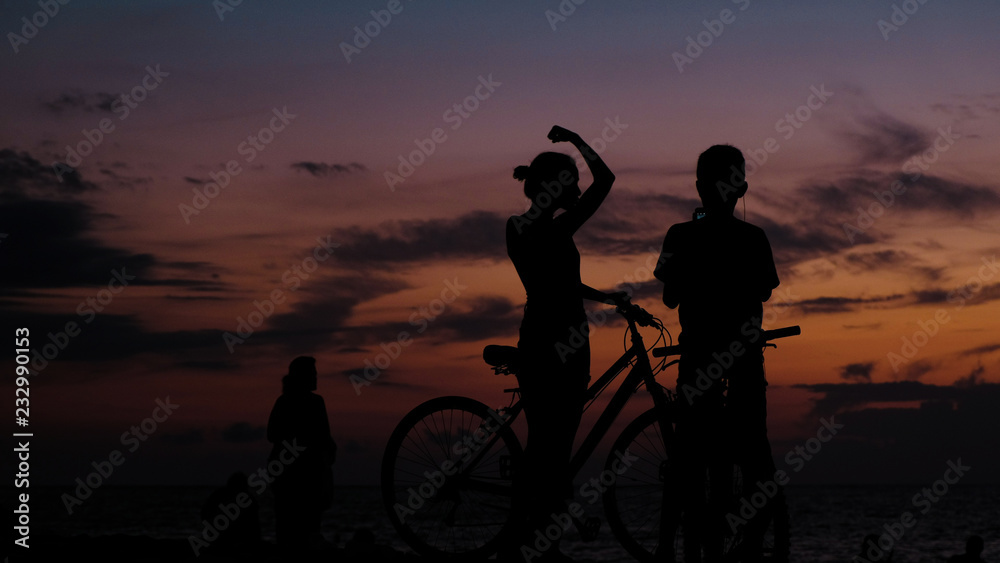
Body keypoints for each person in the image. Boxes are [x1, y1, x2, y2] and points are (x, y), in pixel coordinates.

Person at [653, 144, 780, 562]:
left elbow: (670, 299)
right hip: (744, 359)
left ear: (698, 187)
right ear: (741, 188)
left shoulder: (679, 235)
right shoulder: (754, 237)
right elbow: (763, 289)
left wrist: (700, 230)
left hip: (697, 361)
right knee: (757, 460)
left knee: (687, 458)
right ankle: (754, 546)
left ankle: (666, 546)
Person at [504, 125, 623, 562]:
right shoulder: (533, 228)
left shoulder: (542, 228)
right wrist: (574, 139)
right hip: (551, 342)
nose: (576, 190)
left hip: (562, 339)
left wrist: (607, 298)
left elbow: (562, 284)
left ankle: (542, 542)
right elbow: (606, 181)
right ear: (553, 186)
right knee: (548, 448)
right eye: (570, 182)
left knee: (555, 448)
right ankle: (527, 539)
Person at [266, 356, 337, 553]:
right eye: (313, 373)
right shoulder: (312, 403)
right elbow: (323, 437)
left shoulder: (286, 401)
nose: (316, 377)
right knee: (305, 531)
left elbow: (272, 434)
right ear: (304, 376)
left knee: (289, 530)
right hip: (300, 475)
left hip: (290, 473)